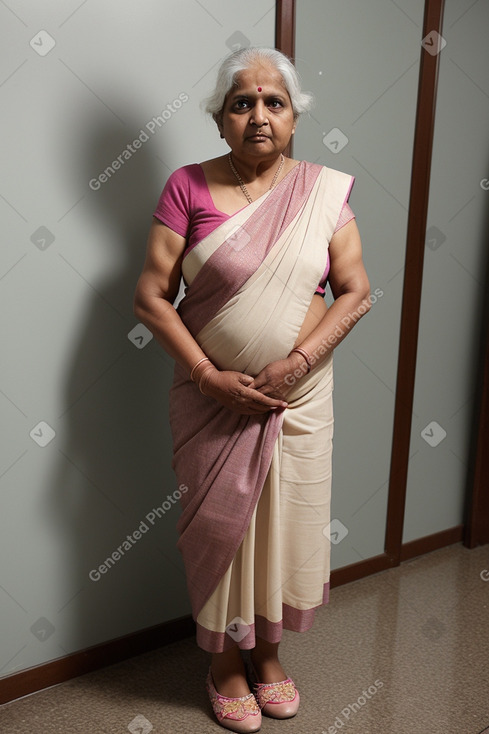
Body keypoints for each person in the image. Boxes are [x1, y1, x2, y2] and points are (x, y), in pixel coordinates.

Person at [134, 46, 370, 733]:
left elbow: (355, 292)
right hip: (210, 403)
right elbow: (151, 297)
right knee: (221, 533)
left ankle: (266, 654)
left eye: (274, 103)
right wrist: (208, 377)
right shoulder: (186, 187)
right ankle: (222, 664)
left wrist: (297, 363)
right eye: (242, 103)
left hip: (299, 399)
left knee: (285, 526)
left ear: (294, 118)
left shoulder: (325, 191)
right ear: (219, 121)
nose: (258, 116)